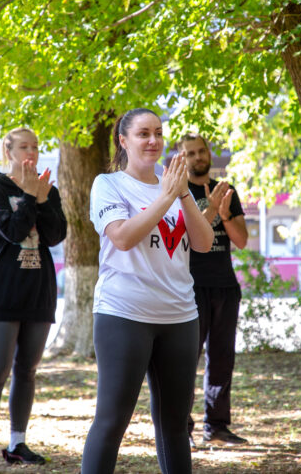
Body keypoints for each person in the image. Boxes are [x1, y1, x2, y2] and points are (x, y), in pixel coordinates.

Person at [81, 108, 214, 474]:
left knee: (175, 424)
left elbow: (203, 243)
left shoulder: (173, 182)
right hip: (124, 314)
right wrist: (165, 195)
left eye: (157, 132)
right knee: (112, 421)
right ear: (124, 141)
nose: (152, 140)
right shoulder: (108, 185)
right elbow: (122, 237)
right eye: (142, 134)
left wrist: (183, 194)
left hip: (180, 316)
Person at [0, 128, 67, 473]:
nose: (31, 152)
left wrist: (41, 199)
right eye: (24, 146)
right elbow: (11, 232)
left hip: (39, 289)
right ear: (7, 150)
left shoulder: (47, 189)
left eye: (36, 147)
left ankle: (16, 443)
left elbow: (55, 236)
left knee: (27, 370)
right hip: (2, 291)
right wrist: (27, 195)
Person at [177, 133, 249, 447]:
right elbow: (179, 240)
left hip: (225, 286)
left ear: (209, 153)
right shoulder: (177, 192)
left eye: (201, 151)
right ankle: (181, 429)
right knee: (184, 360)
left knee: (222, 360)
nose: (197, 157)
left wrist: (223, 213)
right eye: (190, 153)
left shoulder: (226, 190)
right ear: (182, 158)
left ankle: (217, 426)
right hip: (189, 288)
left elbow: (242, 239)